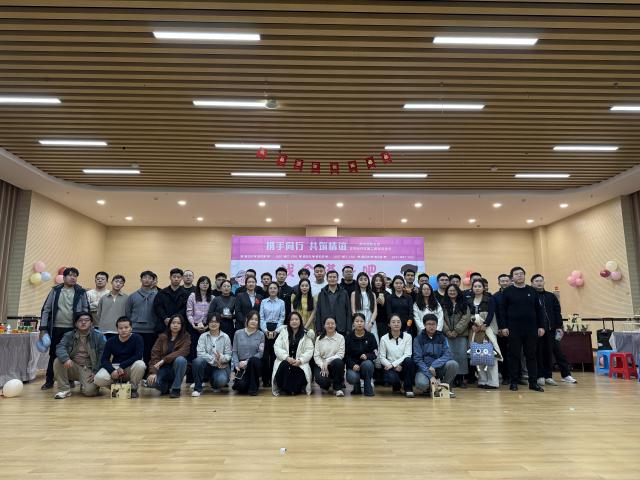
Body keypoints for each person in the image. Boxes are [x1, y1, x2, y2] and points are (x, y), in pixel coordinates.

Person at [39, 267, 90, 390]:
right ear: (64, 277)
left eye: (75, 276)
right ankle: (49, 381)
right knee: (53, 355)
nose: (73, 278)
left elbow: (86, 309)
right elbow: (46, 309)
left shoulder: (81, 291)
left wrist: (84, 326)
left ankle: (70, 380)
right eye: (70, 275)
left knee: (72, 355)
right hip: (56, 328)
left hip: (73, 329)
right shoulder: (55, 290)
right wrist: (43, 329)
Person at [498, 266, 545, 392]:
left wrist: (541, 326)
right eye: (516, 274)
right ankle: (513, 382)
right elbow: (502, 311)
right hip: (513, 328)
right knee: (514, 355)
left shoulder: (532, 290)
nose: (519, 275)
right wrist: (503, 327)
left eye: (521, 273)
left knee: (531, 355)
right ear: (512, 277)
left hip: (531, 329)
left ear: (524, 276)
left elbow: (539, 310)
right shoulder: (507, 291)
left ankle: (533, 383)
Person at [531, 274, 577, 385]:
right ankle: (542, 375)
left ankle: (565, 375)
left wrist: (559, 327)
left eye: (541, 280)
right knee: (540, 353)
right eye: (536, 281)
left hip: (552, 330)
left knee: (558, 353)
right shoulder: (531, 296)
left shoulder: (550, 296)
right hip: (538, 331)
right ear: (532, 283)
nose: (539, 283)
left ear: (544, 282)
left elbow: (557, 312)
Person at [53, 312, 106, 399]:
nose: (83, 322)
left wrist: (96, 371)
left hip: (89, 368)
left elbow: (102, 355)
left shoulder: (98, 336)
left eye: (86, 320)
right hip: (73, 366)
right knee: (58, 361)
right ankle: (64, 389)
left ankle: (84, 384)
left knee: (90, 392)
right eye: (80, 320)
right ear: (76, 324)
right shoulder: (69, 335)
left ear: (91, 323)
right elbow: (60, 347)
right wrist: (66, 359)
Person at [94, 316, 146, 398]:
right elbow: (104, 360)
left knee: (140, 364)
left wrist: (122, 366)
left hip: (130, 366)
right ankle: (118, 387)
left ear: (131, 328)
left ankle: (133, 389)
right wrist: (112, 371)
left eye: (126, 327)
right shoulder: (111, 341)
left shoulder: (137, 338)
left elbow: (138, 356)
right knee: (98, 379)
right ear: (117, 329)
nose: (123, 330)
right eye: (120, 328)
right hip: (116, 367)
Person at [468, 279, 502, 389]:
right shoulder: (469, 300)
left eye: (479, 286)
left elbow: (491, 313)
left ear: (484, 288)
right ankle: (482, 380)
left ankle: (493, 382)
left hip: (488, 329)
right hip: (475, 331)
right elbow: (468, 315)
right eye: (475, 286)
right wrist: (472, 325)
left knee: (490, 355)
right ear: (472, 288)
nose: (477, 288)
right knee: (478, 354)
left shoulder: (490, 299)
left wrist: (485, 324)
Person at [413, 314, 459, 397]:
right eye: (429, 324)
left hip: (438, 368)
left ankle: (444, 388)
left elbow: (448, 354)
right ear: (424, 325)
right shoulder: (418, 339)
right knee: (421, 384)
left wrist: (434, 365)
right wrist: (430, 376)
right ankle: (431, 388)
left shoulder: (442, 337)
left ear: (437, 325)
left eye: (433, 324)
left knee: (453, 364)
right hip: (424, 370)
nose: (431, 326)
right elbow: (418, 360)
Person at [146, 314, 191, 398]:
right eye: (173, 323)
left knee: (181, 360)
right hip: (163, 368)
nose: (175, 325)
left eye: (178, 323)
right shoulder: (162, 337)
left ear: (182, 325)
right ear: (169, 324)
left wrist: (164, 360)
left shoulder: (186, 337)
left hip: (176, 368)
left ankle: (176, 389)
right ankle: (166, 387)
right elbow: (154, 356)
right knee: (150, 383)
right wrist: (153, 372)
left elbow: (183, 351)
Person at [272, 312, 314, 396]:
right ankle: (290, 389)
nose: (294, 321)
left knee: (297, 371)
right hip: (285, 363)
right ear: (289, 321)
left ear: (300, 321)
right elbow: (277, 347)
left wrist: (300, 360)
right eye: (292, 320)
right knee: (284, 365)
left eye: (296, 319)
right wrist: (287, 358)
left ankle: (291, 389)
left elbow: (309, 350)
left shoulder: (306, 334)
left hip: (299, 364)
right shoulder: (283, 332)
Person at [192, 314, 232, 396]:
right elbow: (200, 353)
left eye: (216, 322)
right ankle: (198, 388)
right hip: (207, 366)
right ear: (208, 324)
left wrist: (221, 357)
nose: (213, 324)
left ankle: (215, 384)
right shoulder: (203, 336)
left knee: (221, 380)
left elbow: (228, 355)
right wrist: (214, 360)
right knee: (198, 361)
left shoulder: (225, 337)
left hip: (220, 366)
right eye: (211, 322)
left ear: (220, 323)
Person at [125, 270, 158, 367]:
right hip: (135, 330)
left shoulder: (157, 296)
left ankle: (147, 374)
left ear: (153, 281)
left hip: (151, 330)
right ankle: (133, 373)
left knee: (149, 354)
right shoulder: (132, 296)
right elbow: (128, 313)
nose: (147, 280)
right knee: (133, 354)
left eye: (150, 278)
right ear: (141, 280)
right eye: (144, 277)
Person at [442, 284, 471, 388]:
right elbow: (441, 319)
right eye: (450, 291)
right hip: (447, 335)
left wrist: (456, 331)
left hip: (461, 335)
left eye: (454, 290)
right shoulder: (443, 304)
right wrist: (447, 331)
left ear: (458, 292)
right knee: (450, 356)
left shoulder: (464, 304)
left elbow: (466, 318)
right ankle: (451, 379)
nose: (452, 292)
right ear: (447, 292)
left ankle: (461, 379)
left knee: (462, 357)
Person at [379, 314, 415, 397]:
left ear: (401, 324)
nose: (396, 324)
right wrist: (393, 366)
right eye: (393, 322)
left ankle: (408, 389)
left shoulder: (408, 337)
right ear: (389, 324)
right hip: (390, 367)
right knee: (392, 378)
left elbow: (407, 354)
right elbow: (382, 357)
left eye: (398, 322)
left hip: (403, 366)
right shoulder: (384, 338)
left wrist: (395, 364)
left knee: (409, 361)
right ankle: (397, 386)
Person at [185, 275, 213, 383]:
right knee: (193, 351)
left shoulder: (212, 297)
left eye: (207, 283)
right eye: (202, 283)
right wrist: (193, 325)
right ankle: (191, 377)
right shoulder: (192, 296)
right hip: (193, 327)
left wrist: (207, 326)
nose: (205, 285)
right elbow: (189, 312)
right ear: (198, 284)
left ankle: (205, 376)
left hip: (207, 327)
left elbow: (212, 314)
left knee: (206, 350)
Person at [231, 311, 265, 395]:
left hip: (254, 363)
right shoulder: (238, 333)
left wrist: (247, 362)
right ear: (247, 320)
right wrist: (236, 365)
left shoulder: (261, 334)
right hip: (241, 365)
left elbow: (260, 353)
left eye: (256, 320)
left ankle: (253, 389)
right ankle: (248, 383)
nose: (254, 321)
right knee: (241, 387)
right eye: (252, 319)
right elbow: (234, 351)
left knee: (253, 361)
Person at [259, 282, 286, 387]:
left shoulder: (281, 302)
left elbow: (282, 318)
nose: (273, 290)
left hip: (277, 328)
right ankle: (265, 379)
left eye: (275, 288)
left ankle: (274, 378)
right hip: (265, 328)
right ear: (268, 290)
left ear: (278, 290)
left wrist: (276, 331)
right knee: (265, 356)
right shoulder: (263, 302)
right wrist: (265, 330)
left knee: (275, 355)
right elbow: (261, 318)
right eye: (271, 288)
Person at [345, 313, 377, 396]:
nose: (359, 323)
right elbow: (346, 355)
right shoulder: (348, 337)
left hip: (365, 365)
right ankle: (356, 387)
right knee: (352, 377)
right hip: (353, 367)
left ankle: (368, 386)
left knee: (368, 364)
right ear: (353, 323)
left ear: (364, 323)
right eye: (357, 321)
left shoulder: (370, 336)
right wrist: (352, 365)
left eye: (361, 321)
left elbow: (375, 353)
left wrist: (367, 356)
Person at [313, 317, 346, 397]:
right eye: (328, 324)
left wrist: (327, 361)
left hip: (334, 365)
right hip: (321, 365)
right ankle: (326, 385)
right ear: (324, 326)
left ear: (335, 325)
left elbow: (340, 354)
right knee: (323, 382)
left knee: (338, 362)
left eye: (332, 323)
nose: (330, 325)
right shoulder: (319, 338)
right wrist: (323, 366)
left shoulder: (341, 338)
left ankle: (337, 388)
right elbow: (316, 356)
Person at [314, 270, 352, 335]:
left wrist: (348, 329)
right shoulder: (321, 294)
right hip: (325, 328)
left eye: (334, 277)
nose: (332, 279)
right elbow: (318, 312)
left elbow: (348, 311)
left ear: (337, 279)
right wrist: (318, 329)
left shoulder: (344, 293)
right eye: (330, 277)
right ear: (327, 279)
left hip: (341, 328)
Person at [153, 268, 189, 334]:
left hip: (179, 324)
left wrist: (175, 319)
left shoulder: (186, 294)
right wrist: (165, 318)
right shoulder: (162, 292)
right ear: (170, 277)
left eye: (178, 277)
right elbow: (158, 307)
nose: (176, 279)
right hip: (163, 324)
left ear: (181, 278)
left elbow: (185, 308)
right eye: (174, 277)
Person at [493, 273, 512, 384]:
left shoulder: (515, 293)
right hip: (501, 329)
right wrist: (499, 328)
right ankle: (506, 376)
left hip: (515, 328)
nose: (505, 283)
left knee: (515, 353)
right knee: (503, 352)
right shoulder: (495, 296)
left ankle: (517, 376)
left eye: (506, 281)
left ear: (510, 281)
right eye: (502, 281)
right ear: (499, 283)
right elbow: (496, 314)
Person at [96, 274, 127, 339]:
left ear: (123, 285)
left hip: (120, 330)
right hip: (104, 330)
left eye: (121, 282)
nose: (118, 284)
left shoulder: (126, 298)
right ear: (111, 282)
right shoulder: (104, 298)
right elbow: (98, 314)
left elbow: (128, 314)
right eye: (116, 281)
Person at [351, 272, 378, 342]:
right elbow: (353, 311)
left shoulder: (372, 294)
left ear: (368, 281)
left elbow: (375, 311)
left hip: (370, 319)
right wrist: (358, 322)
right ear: (357, 281)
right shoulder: (354, 294)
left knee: (371, 341)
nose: (363, 281)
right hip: (358, 320)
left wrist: (370, 323)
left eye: (365, 279)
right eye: (361, 279)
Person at [372, 273, 390, 338]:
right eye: (376, 280)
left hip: (384, 322)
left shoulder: (387, 294)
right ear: (373, 282)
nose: (378, 282)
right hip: (372, 321)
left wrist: (383, 304)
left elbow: (389, 309)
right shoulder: (370, 293)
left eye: (380, 281)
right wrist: (375, 303)